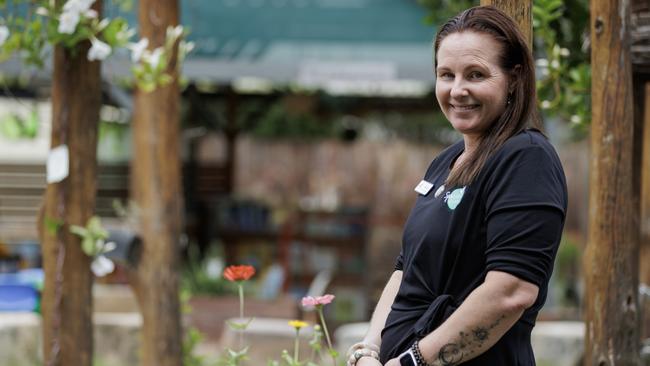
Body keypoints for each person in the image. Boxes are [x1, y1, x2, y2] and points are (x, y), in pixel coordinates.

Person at [346, 5, 567, 366]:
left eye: (476, 75)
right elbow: (406, 271)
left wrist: (413, 361)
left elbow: (510, 292)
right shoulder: (445, 162)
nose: (458, 90)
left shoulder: (526, 159)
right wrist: (370, 348)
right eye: (446, 75)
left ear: (514, 78)